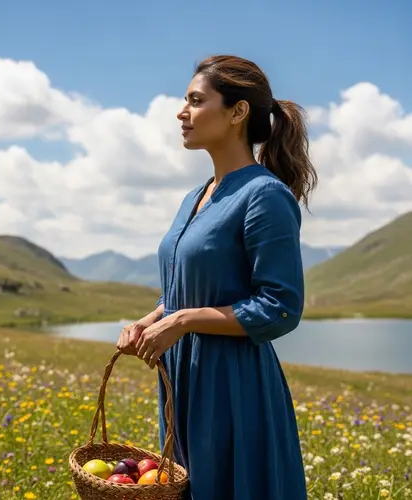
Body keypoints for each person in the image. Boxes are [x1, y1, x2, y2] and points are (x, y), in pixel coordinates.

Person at [116, 54, 317, 500]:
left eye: (195, 100)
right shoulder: (195, 196)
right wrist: (150, 321)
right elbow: (187, 289)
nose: (181, 111)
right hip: (182, 379)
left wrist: (183, 322)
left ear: (237, 112)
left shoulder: (264, 195)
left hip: (233, 385)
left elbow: (279, 306)